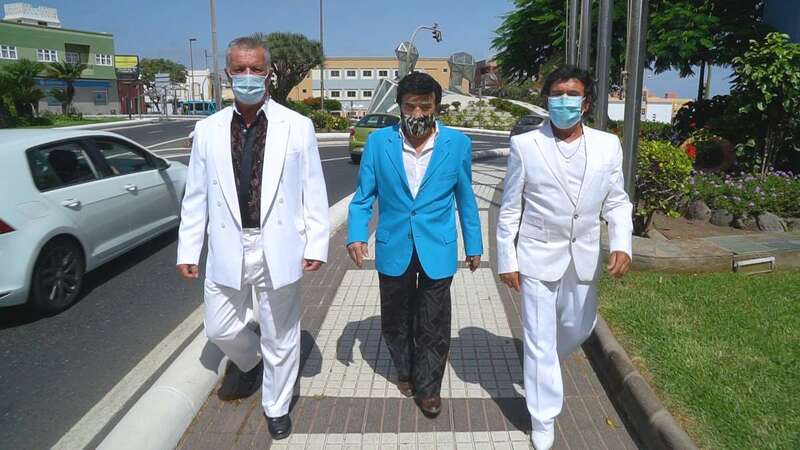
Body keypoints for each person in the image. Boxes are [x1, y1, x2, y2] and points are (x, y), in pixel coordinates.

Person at [176, 36, 330, 441]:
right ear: (228, 73)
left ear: (268, 72)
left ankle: (276, 406)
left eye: (255, 69)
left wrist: (316, 243)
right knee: (220, 327)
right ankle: (249, 362)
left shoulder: (297, 126)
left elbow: (313, 189)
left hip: (278, 243)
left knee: (282, 334)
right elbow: (196, 196)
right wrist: (188, 248)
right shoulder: (207, 130)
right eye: (239, 69)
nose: (247, 77)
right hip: (229, 244)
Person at [495, 65, 633, 450]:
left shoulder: (608, 145)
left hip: (583, 255)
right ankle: (543, 418)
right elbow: (510, 207)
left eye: (571, 95)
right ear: (547, 100)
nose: (563, 102)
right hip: (537, 254)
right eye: (556, 95)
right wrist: (507, 258)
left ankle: (542, 369)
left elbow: (617, 200)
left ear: (586, 102)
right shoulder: (526, 145)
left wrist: (622, 241)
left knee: (578, 327)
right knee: (538, 340)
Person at [346, 72, 483, 418]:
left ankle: (428, 387)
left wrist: (474, 243)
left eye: (425, 106)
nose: (418, 113)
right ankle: (405, 368)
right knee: (396, 318)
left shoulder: (457, 144)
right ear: (400, 106)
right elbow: (363, 198)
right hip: (394, 246)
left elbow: (466, 198)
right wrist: (357, 235)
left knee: (434, 322)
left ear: (436, 106)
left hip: (438, 246)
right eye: (411, 106)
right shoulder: (379, 144)